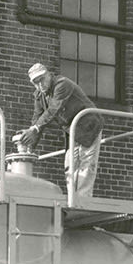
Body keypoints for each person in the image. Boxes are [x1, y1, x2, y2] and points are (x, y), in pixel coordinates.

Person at [18, 63, 103, 199]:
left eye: (42, 79)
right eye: (36, 82)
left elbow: (53, 109)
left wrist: (34, 129)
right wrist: (30, 148)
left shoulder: (62, 84)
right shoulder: (39, 96)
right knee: (70, 164)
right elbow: (37, 119)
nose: (40, 85)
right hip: (72, 130)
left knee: (86, 163)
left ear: (49, 75)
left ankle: (83, 200)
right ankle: (73, 199)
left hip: (89, 124)